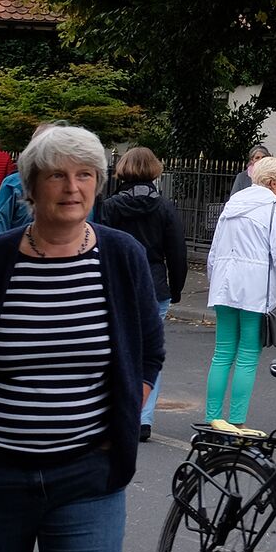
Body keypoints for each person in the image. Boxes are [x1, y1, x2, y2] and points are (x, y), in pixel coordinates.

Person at [0, 123, 165, 552]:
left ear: (98, 183)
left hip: (88, 477)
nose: (72, 187)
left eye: (85, 174)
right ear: (30, 187)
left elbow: (148, 353)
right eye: (56, 175)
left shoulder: (122, 255)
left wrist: (119, 426)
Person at [204, 154, 276, 434]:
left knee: (222, 353)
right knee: (248, 355)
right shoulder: (274, 208)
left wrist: (216, 282)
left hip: (224, 285)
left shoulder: (233, 203)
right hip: (254, 289)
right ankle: (237, 419)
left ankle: (213, 416)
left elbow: (214, 251)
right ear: (273, 183)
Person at [95, 146, 188, 442]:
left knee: (117, 349)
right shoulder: (164, 207)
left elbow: (101, 247)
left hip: (119, 285)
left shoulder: (111, 206)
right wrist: (176, 288)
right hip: (154, 284)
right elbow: (177, 252)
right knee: (149, 353)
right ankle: (143, 417)